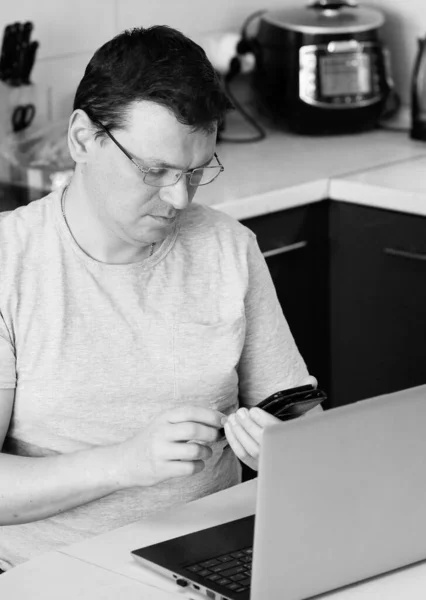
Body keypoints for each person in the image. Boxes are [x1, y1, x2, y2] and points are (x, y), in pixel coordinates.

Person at [0, 25, 316, 571]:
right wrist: (126, 463)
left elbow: (303, 421)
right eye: (156, 170)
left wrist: (287, 451)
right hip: (54, 576)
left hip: (216, 563)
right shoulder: (11, 262)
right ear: (83, 138)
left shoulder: (227, 248)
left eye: (196, 172)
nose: (178, 198)